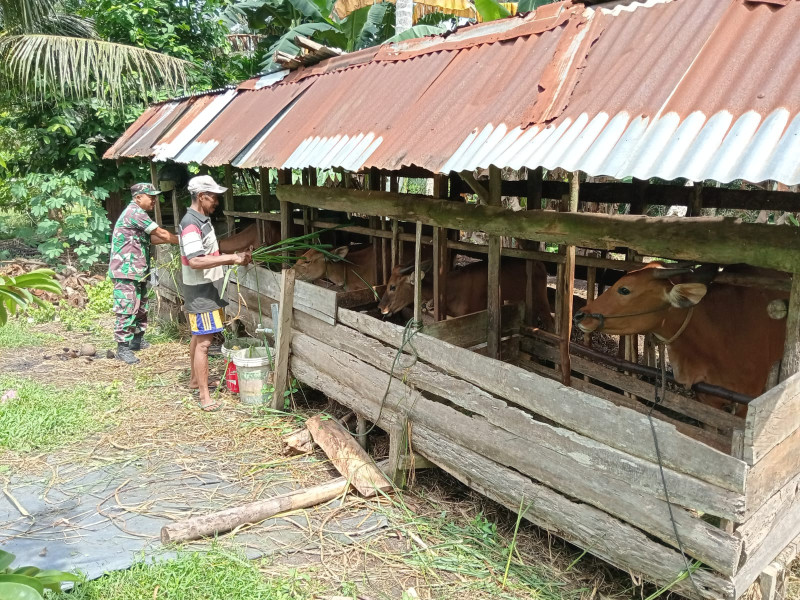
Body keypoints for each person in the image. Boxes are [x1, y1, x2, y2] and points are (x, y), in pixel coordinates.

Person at [179, 175, 253, 411]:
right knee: (204, 343)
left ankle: (194, 380)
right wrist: (232, 258)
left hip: (204, 287)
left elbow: (210, 251)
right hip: (201, 291)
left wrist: (237, 254)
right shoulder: (191, 224)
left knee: (198, 336)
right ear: (201, 196)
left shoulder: (201, 220)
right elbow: (196, 260)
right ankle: (204, 397)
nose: (217, 203)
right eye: (214, 198)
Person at [109, 183, 178, 365]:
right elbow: (160, 233)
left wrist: (173, 239)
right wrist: (183, 241)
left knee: (140, 306)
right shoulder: (135, 213)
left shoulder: (137, 215)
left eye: (155, 196)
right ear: (138, 197)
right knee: (127, 308)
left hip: (136, 270)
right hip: (126, 270)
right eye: (151, 196)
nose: (154, 199)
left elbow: (152, 238)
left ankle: (137, 341)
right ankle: (122, 348)